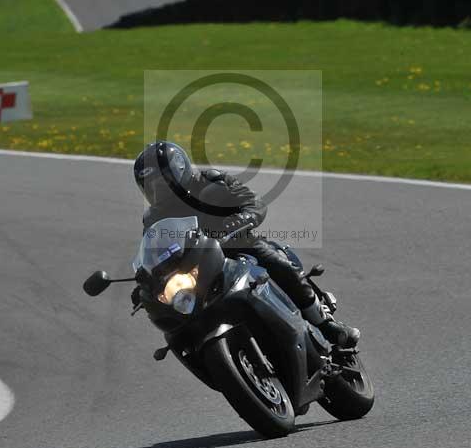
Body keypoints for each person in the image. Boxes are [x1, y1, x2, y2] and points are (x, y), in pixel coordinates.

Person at [133, 141, 359, 349]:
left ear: (179, 171)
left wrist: (241, 220)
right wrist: (145, 280)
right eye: (150, 187)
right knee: (177, 314)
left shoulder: (212, 181)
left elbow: (253, 203)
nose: (157, 192)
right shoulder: (154, 217)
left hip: (238, 244)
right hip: (196, 264)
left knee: (279, 266)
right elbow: (153, 249)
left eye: (162, 184)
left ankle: (326, 325)